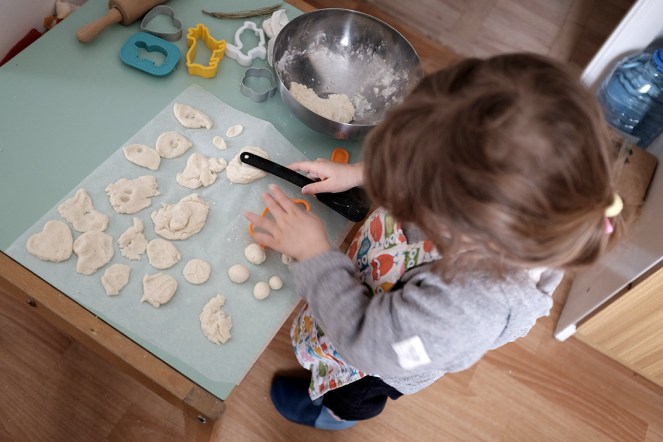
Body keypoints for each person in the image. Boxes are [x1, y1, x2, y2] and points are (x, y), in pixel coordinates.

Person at [243, 53, 625, 431]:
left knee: (351, 396)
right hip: (378, 280)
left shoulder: (466, 310)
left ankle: (330, 417)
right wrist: (360, 173)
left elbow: (367, 343)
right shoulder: (507, 199)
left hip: (372, 360)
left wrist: (315, 256)